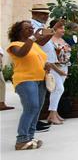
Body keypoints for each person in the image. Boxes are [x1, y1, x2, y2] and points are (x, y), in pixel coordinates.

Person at [7, 20, 49, 150]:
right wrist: (32, 38)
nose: (31, 30)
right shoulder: (14, 45)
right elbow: (22, 53)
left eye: (31, 28)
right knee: (31, 108)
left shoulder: (34, 44)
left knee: (36, 109)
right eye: (27, 28)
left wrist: (46, 66)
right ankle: (21, 140)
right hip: (25, 80)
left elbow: (37, 58)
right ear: (18, 32)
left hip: (40, 79)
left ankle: (30, 138)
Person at [46, 19, 71, 125]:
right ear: (54, 28)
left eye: (63, 28)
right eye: (61, 28)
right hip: (54, 68)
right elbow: (49, 59)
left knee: (58, 91)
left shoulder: (63, 40)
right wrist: (59, 71)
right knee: (58, 89)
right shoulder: (49, 41)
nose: (63, 30)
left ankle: (54, 113)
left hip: (64, 67)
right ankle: (52, 114)